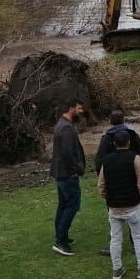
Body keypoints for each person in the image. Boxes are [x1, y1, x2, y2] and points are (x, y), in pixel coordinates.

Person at [97, 130, 140, 279]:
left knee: (115, 238)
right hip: (133, 205)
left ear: (114, 144)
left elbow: (101, 185)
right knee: (138, 237)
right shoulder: (135, 158)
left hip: (114, 207)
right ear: (128, 142)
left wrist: (107, 197)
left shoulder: (106, 160)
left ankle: (117, 269)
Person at [95, 109, 140, 256]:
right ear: (124, 120)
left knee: (114, 221)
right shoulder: (133, 135)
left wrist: (103, 179)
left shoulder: (106, 139)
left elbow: (99, 161)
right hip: (132, 180)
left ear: (110, 121)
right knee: (135, 213)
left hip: (112, 183)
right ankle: (136, 242)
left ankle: (115, 247)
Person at [50, 99, 86, 255]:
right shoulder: (66, 128)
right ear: (71, 108)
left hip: (61, 173)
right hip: (66, 174)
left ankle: (61, 235)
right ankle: (60, 242)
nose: (81, 111)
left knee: (63, 204)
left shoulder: (62, 124)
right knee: (72, 204)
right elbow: (67, 153)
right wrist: (74, 170)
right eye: (79, 109)